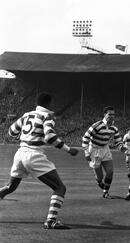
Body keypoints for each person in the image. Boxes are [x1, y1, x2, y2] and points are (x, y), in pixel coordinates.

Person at [0, 93, 78, 229]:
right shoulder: (47, 116)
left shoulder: (26, 115)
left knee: (10, 187)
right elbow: (49, 137)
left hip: (19, 154)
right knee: (60, 188)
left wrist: (25, 137)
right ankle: (51, 221)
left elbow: (11, 131)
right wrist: (68, 149)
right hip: (34, 155)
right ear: (48, 103)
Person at [82, 106, 130, 198]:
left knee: (110, 172)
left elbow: (118, 142)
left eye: (113, 114)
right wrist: (86, 153)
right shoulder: (97, 125)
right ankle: (99, 181)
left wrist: (125, 150)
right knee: (100, 177)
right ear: (105, 114)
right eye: (109, 114)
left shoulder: (114, 128)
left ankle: (105, 192)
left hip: (105, 149)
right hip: (94, 150)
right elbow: (85, 138)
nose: (111, 116)